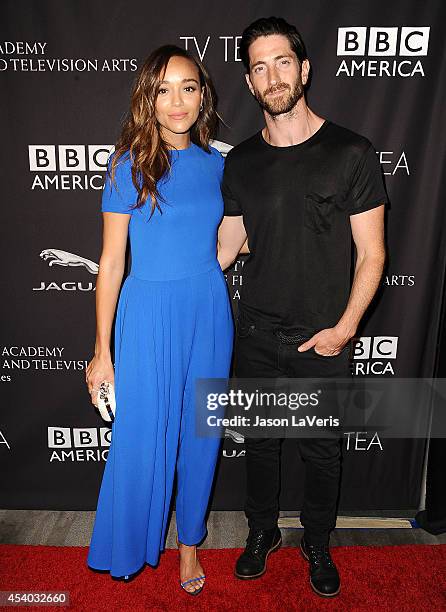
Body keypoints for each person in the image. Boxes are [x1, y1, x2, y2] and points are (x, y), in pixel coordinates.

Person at [217, 17, 387, 598]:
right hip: (258, 335)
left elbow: (372, 254)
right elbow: (225, 245)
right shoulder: (238, 164)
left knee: (321, 453)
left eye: (282, 61)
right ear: (248, 81)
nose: (272, 75)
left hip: (324, 338)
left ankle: (317, 541)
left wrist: (344, 330)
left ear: (305, 68)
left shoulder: (352, 152)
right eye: (259, 66)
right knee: (260, 447)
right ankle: (260, 534)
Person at [85, 45, 234, 595]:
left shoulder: (220, 165)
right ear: (148, 98)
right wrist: (102, 351)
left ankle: (189, 545)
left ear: (203, 95)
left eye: (188, 87)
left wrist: (204, 270)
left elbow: (230, 238)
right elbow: (112, 261)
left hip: (208, 312)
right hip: (146, 314)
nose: (177, 101)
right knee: (143, 433)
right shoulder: (128, 165)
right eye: (163, 89)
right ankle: (131, 540)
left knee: (200, 431)